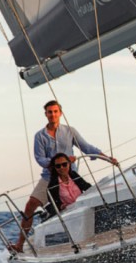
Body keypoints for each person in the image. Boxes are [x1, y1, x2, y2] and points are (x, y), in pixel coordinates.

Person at [11, 100, 117, 252]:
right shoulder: (39, 136)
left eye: (55, 111)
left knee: (91, 199)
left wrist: (108, 158)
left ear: (60, 113)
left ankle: (100, 236)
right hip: (49, 177)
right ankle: (19, 245)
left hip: (70, 175)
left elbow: (87, 147)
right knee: (30, 205)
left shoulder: (70, 131)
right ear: (45, 114)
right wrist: (61, 161)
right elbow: (40, 159)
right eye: (49, 112)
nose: (52, 115)